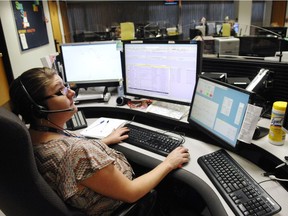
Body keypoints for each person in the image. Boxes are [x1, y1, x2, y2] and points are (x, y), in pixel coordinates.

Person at [9, 67, 190, 215]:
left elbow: (70, 167)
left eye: (65, 86)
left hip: (94, 192)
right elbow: (132, 193)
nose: (71, 92)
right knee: (181, 186)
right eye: (60, 91)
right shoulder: (78, 151)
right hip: (124, 205)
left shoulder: (31, 137)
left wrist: (103, 142)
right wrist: (168, 163)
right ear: (39, 109)